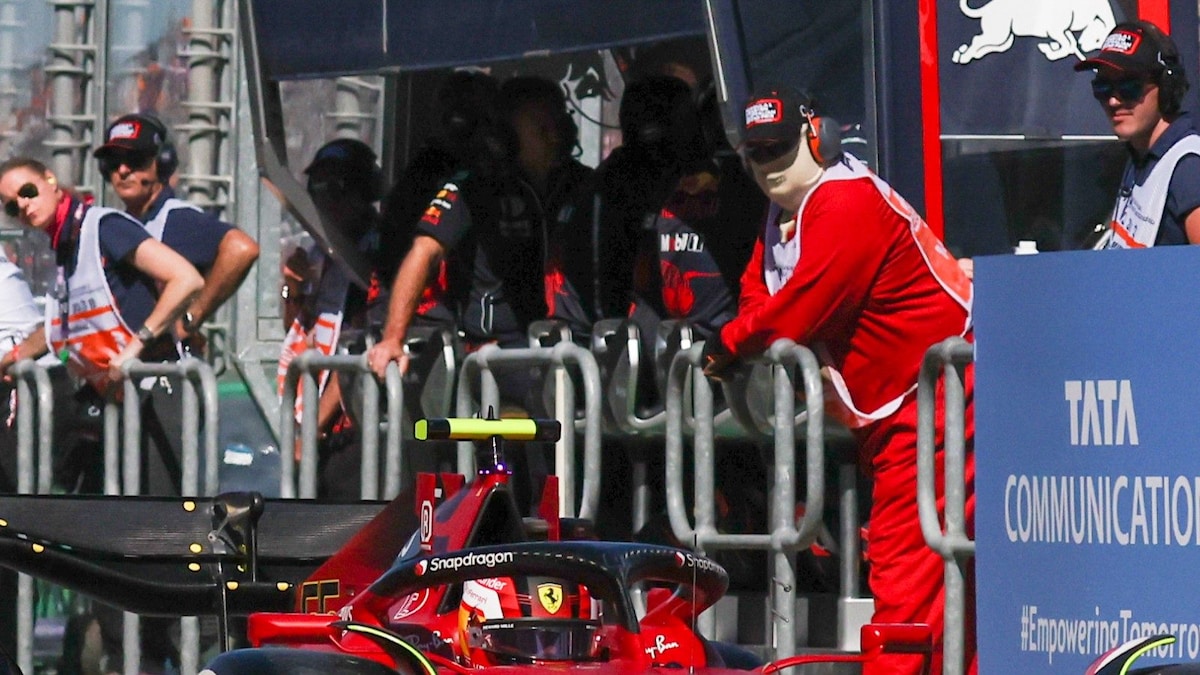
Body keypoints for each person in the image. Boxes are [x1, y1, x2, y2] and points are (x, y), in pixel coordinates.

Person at [702, 86, 976, 675]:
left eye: (776, 148)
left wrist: (727, 346)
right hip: (897, 415)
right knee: (934, 577)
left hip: (942, 405)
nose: (767, 166)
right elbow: (759, 294)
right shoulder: (783, 214)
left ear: (815, 136)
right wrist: (748, 335)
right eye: (754, 154)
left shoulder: (846, 201)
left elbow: (798, 308)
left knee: (909, 576)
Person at [368, 71, 583, 512]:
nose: (554, 135)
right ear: (508, 133)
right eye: (539, 126)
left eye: (557, 124)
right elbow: (422, 252)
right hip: (494, 352)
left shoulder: (577, 184)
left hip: (556, 344)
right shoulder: (473, 186)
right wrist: (392, 338)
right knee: (535, 411)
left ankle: (570, 532)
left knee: (579, 397)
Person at [278, 137, 390, 499]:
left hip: (351, 426)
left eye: (337, 188)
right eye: (318, 188)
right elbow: (300, 332)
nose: (326, 200)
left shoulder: (376, 252)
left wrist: (313, 427)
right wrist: (294, 290)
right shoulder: (321, 250)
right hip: (317, 425)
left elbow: (357, 350)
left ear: (364, 191)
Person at [1071, 20, 1200, 249]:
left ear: (1167, 86)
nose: (1113, 100)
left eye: (1129, 86)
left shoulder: (1188, 168)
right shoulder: (1139, 155)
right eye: (1103, 87)